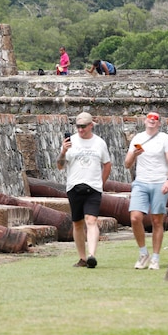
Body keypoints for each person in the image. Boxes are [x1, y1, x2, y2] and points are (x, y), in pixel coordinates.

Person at [57, 112, 112, 269]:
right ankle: (82, 258)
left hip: (93, 187)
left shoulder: (99, 143)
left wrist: (101, 183)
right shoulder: (70, 142)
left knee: (91, 220)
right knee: (78, 223)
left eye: (83, 127)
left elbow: (107, 165)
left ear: (91, 126)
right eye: (78, 127)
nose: (80, 130)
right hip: (74, 185)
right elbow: (60, 166)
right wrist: (63, 152)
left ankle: (91, 255)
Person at [124, 111, 168, 270]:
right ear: (145, 121)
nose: (152, 121)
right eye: (149, 118)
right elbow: (127, 164)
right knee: (135, 217)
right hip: (141, 182)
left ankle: (155, 257)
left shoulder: (164, 139)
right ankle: (143, 252)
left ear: (159, 123)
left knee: (156, 221)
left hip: (159, 182)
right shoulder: (138, 138)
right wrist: (134, 154)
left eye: (155, 119)